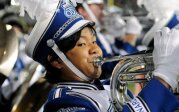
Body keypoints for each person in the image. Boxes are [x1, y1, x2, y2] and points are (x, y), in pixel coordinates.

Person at [17, 0, 179, 111]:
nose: (95, 49)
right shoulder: (63, 103)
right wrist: (163, 77)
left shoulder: (110, 87)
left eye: (94, 41)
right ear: (56, 60)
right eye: (82, 44)